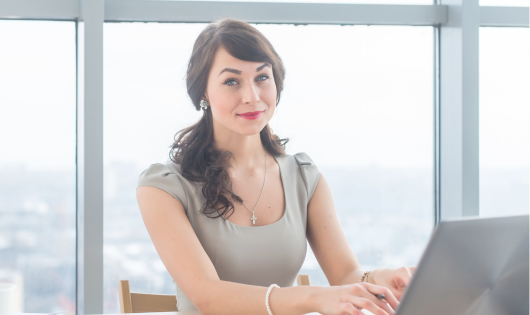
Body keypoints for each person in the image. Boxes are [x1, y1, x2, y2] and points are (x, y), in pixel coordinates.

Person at [136, 18, 415, 315]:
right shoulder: (164, 186)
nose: (252, 97)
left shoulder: (304, 178)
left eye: (262, 78)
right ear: (203, 91)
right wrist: (313, 298)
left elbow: (345, 275)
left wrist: (379, 279)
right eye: (231, 81)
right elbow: (208, 296)